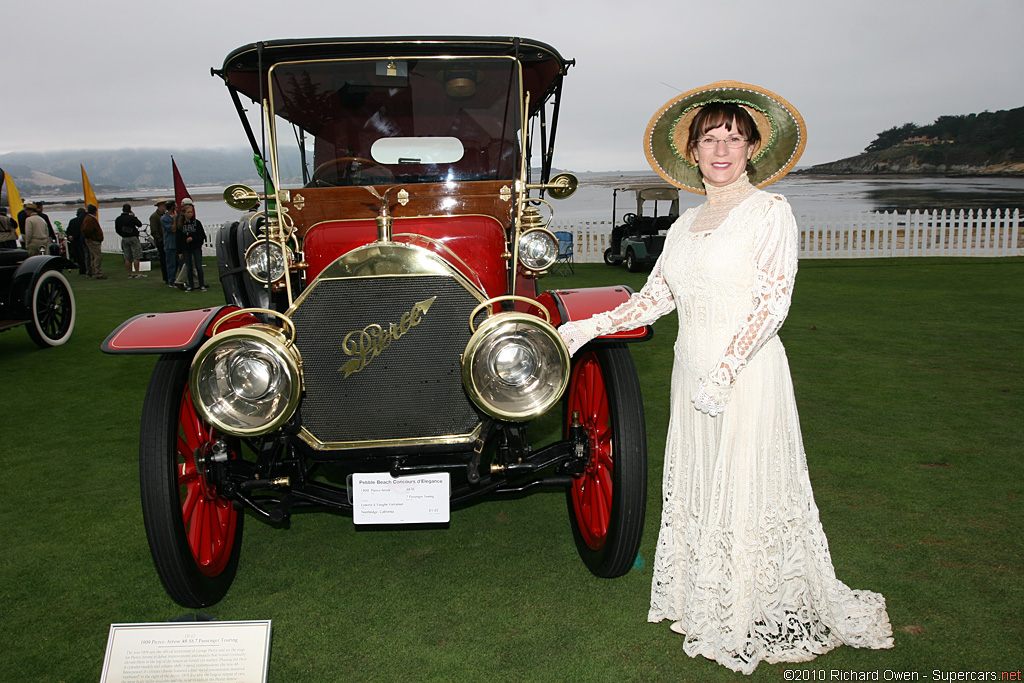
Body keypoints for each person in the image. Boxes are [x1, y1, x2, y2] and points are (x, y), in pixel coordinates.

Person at [558, 82, 893, 674]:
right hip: (691, 375)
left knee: (747, 488)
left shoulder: (771, 214)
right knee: (707, 485)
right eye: (710, 139)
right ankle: (707, 595)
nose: (721, 150)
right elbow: (656, 296)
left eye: (733, 139)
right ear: (691, 151)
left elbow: (772, 304)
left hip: (745, 376)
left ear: (752, 148)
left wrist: (726, 371)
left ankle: (748, 606)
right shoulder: (686, 226)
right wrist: (589, 328)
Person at [177, 201, 207, 291]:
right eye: (188, 212)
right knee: (189, 267)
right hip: (186, 248)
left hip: (196, 247)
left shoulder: (197, 223)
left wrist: (193, 238)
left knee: (198, 266)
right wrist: (180, 251)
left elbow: (202, 235)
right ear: (184, 213)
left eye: (191, 212)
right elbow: (178, 238)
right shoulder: (181, 224)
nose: (190, 214)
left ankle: (201, 284)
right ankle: (191, 285)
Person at [115, 203, 145, 278]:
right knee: (136, 256)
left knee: (127, 256)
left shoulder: (118, 219)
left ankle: (130, 273)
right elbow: (139, 224)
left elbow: (117, 230)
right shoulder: (131, 218)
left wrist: (123, 234)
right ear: (130, 210)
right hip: (133, 237)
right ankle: (137, 273)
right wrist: (134, 217)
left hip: (124, 238)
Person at [81, 203, 107, 279]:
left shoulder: (88, 218)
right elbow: (86, 230)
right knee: (97, 256)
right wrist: (89, 237)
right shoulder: (90, 219)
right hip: (93, 240)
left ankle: (93, 272)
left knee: (93, 257)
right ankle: (98, 273)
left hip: (92, 240)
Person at [149, 198, 168, 283]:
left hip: (166, 240)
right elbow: (154, 230)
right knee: (163, 260)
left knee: (169, 260)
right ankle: (166, 277)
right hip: (161, 241)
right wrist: (160, 240)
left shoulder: (165, 215)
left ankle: (169, 276)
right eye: (164, 205)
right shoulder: (154, 217)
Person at [161, 200, 179, 287]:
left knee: (181, 263)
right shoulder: (164, 218)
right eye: (175, 206)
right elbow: (173, 229)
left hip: (178, 244)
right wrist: (175, 220)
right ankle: (171, 281)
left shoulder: (177, 216)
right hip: (170, 245)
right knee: (171, 264)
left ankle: (180, 280)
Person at [66, 208, 88, 274]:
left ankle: (81, 269)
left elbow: (68, 230)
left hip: (73, 241)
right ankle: (85, 269)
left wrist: (69, 236)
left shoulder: (72, 221)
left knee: (78, 256)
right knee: (83, 255)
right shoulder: (83, 221)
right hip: (80, 240)